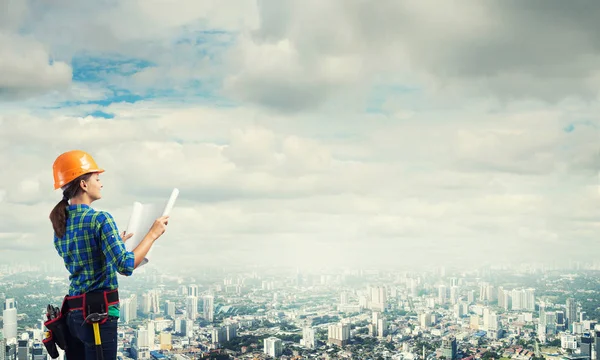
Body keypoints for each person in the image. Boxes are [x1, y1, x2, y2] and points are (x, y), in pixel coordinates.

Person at [48, 150, 169, 360]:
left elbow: (86, 263)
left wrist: (111, 246)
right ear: (84, 184)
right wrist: (152, 234)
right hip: (97, 316)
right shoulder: (100, 219)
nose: (101, 183)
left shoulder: (61, 226)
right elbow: (125, 266)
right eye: (97, 178)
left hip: (73, 316)